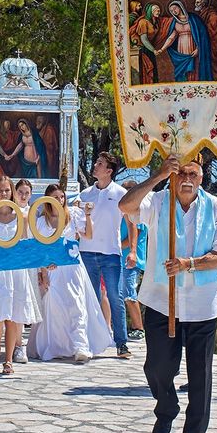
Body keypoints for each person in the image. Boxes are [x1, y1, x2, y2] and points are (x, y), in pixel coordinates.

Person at [119, 155, 217, 433]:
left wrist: (188, 264)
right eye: (180, 173)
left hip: (201, 305)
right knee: (156, 367)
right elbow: (126, 206)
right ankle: (167, 407)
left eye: (192, 173)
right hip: (161, 300)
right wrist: (158, 176)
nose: (186, 179)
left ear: (201, 176)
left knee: (200, 374)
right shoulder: (159, 201)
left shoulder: (215, 207)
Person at [27, 184, 112, 363]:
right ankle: (56, 346)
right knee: (54, 306)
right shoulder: (41, 222)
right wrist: (43, 272)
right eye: (55, 197)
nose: (59, 200)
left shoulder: (72, 215)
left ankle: (80, 346)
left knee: (77, 304)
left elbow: (88, 235)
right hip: (52, 269)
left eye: (62, 197)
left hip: (72, 267)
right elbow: (39, 248)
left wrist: (87, 215)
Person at [0, 177, 41, 374]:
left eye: (6, 190)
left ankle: (9, 358)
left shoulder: (21, 216)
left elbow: (25, 245)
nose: (3, 194)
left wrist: (44, 262)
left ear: (12, 192)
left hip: (15, 271)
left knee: (12, 315)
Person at [79, 152, 130, 358]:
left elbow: (131, 223)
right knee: (90, 298)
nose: (95, 165)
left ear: (109, 171)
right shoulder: (84, 194)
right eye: (96, 162)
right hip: (86, 252)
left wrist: (133, 251)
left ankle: (121, 343)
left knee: (115, 296)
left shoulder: (120, 193)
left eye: (100, 163)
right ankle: (90, 341)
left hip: (111, 253)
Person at [156, 0, 213, 82]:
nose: (173, 11)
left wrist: (198, 48)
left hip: (193, 46)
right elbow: (171, 38)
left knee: (194, 67)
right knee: (184, 70)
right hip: (181, 48)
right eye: (171, 11)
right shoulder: (175, 22)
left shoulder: (193, 18)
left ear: (180, 7)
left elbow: (202, 35)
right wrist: (162, 49)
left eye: (175, 8)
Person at [10, 178, 34, 364]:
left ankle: (21, 344)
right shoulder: (7, 212)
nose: (23, 196)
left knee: (22, 305)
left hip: (28, 264)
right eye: (20, 192)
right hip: (10, 262)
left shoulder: (35, 213)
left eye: (27, 193)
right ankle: (9, 344)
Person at [120, 214, 147, 341]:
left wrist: (116, 245)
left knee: (129, 292)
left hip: (132, 261)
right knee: (122, 294)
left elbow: (135, 233)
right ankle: (132, 327)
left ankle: (139, 328)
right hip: (120, 259)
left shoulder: (137, 213)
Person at [131, 3, 170, 83]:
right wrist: (153, 50)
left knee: (154, 71)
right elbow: (144, 39)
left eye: (159, 10)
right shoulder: (143, 22)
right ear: (150, 11)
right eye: (156, 10)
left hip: (150, 49)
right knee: (147, 70)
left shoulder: (155, 22)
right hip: (144, 50)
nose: (158, 12)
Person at [194, 0, 217, 80]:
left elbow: (213, 29)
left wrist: (203, 30)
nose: (195, 4)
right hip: (204, 42)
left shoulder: (212, 15)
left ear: (203, 4)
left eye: (198, 2)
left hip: (211, 43)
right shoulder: (203, 13)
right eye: (196, 2)